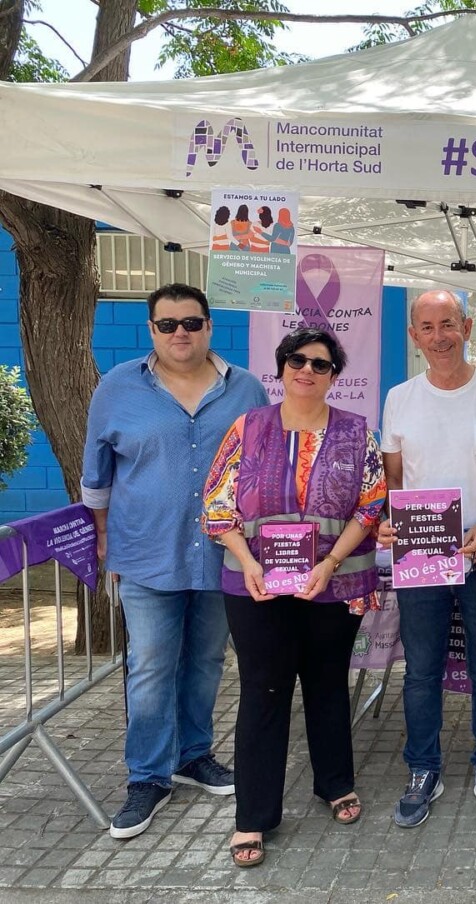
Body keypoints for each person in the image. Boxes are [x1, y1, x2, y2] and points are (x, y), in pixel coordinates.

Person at [82, 283, 267, 840]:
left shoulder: (248, 391)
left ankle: (193, 755)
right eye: (167, 325)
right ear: (151, 330)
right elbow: (98, 476)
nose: (180, 332)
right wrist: (103, 539)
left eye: (191, 322)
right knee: (151, 668)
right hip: (146, 553)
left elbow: (259, 474)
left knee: (207, 662)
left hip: (221, 556)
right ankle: (147, 777)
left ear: (209, 326)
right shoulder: (116, 389)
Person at [201, 328, 385, 868]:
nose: (307, 370)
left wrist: (329, 563)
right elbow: (217, 506)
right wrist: (251, 560)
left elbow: (371, 505)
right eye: (297, 361)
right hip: (257, 586)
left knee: (328, 684)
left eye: (320, 364)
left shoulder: (357, 434)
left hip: (336, 584)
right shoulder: (247, 428)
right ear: (281, 368)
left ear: (334, 376)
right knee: (264, 690)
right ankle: (253, 816)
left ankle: (334, 784)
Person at [379, 289, 476, 827]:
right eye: (428, 326)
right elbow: (394, 482)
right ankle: (423, 769)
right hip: (422, 557)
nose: (439, 336)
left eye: (448, 323)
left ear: (466, 328)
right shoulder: (399, 398)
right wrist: (388, 520)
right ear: (414, 335)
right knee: (420, 671)